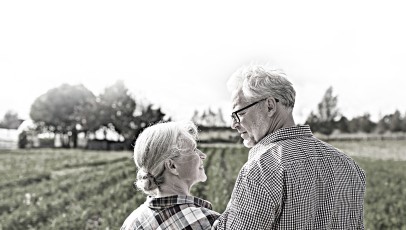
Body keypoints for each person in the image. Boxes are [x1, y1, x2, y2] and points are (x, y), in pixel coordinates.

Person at [213, 65, 366, 229]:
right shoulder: (348, 165)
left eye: (240, 113)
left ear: (270, 106)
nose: (233, 124)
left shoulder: (262, 168)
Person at [121, 121, 220, 230]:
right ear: (172, 166)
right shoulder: (208, 222)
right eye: (194, 150)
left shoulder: (132, 222)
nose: (203, 155)